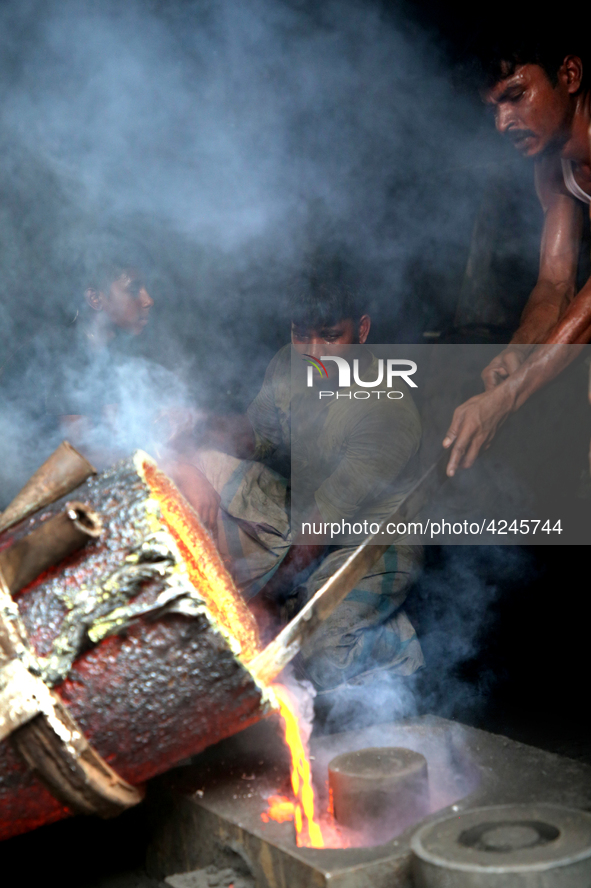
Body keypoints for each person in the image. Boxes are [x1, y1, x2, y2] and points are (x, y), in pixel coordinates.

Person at [172, 260, 425, 694]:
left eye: (330, 337)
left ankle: (395, 646)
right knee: (200, 464)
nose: (313, 353)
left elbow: (321, 530)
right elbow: (255, 436)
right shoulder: (290, 365)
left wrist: (262, 603)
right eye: (300, 335)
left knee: (319, 654)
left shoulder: (386, 411)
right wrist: (196, 429)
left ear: (361, 331)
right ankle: (291, 597)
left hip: (370, 541)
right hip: (303, 509)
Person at [443, 29, 591, 477]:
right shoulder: (552, 165)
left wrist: (506, 399)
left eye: (516, 95)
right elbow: (554, 284)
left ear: (568, 75)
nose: (502, 123)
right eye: (495, 108)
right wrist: (519, 350)